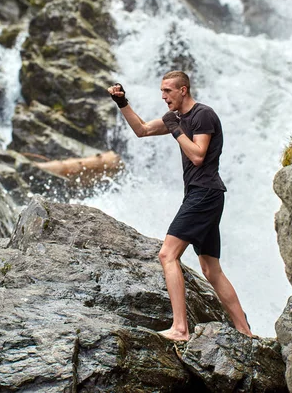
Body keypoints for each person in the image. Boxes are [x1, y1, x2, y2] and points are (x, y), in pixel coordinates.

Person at [108, 70, 252, 341]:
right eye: (162, 91)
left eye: (168, 91)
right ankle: (244, 331)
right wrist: (123, 104)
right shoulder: (178, 118)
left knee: (167, 255)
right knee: (210, 268)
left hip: (205, 193)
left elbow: (198, 155)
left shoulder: (202, 115)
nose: (164, 97)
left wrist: (175, 129)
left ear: (183, 90)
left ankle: (180, 329)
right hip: (201, 195)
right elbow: (142, 130)